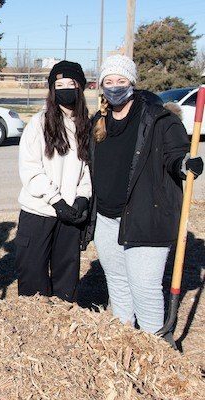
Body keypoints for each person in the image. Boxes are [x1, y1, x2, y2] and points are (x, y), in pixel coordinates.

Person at [85, 54, 203, 340]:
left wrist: (185, 164)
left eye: (121, 80)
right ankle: (124, 339)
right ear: (101, 86)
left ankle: (155, 348)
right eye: (109, 81)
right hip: (106, 218)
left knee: (144, 287)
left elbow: (175, 156)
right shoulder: (97, 122)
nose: (114, 87)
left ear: (132, 83)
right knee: (118, 282)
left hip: (146, 216)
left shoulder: (159, 119)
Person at [15, 61, 92, 302]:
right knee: (33, 279)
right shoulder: (39, 123)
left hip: (70, 215)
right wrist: (56, 201)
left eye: (72, 84)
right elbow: (30, 169)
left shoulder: (85, 126)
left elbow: (87, 169)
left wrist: (82, 198)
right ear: (52, 90)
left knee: (65, 279)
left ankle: (61, 320)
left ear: (81, 88)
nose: (66, 89)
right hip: (39, 212)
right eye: (59, 85)